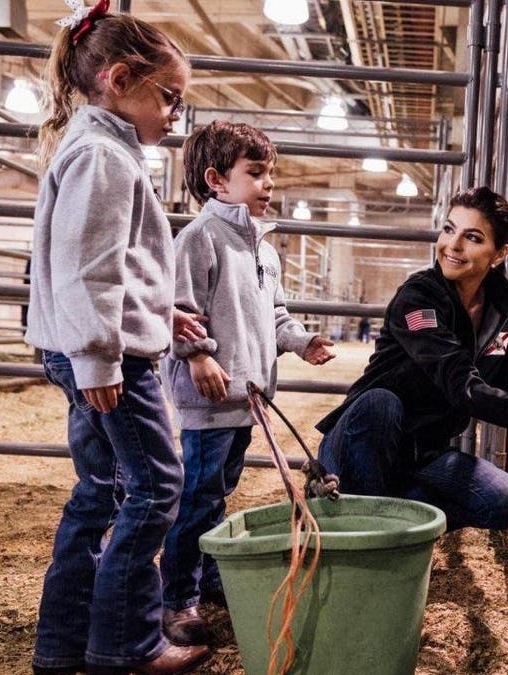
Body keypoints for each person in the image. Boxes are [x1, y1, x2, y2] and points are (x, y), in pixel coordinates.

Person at [24, 2, 209, 674]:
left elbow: (114, 268)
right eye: (169, 97)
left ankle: (63, 644)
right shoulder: (104, 156)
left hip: (94, 350)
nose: (173, 115)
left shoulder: (98, 147)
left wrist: (162, 318)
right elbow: (88, 268)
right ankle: (124, 647)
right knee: (157, 487)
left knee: (100, 490)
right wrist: (101, 355)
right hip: (109, 362)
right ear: (119, 78)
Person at [315, 187, 508, 531]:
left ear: (499, 253)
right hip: (366, 440)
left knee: (506, 503)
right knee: (381, 403)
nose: (453, 245)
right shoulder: (418, 297)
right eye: (449, 229)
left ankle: (382, 508)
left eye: (472, 237)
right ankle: (364, 509)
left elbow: (505, 385)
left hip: (423, 452)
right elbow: (457, 379)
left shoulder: (501, 309)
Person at [159, 120, 337, 645]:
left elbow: (275, 314)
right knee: (197, 496)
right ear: (216, 181)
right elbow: (182, 309)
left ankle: (204, 573)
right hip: (209, 397)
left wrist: (302, 341)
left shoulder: (263, 248)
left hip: (247, 398)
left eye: (270, 173)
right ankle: (177, 599)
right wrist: (196, 356)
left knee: (218, 491)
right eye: (255, 173)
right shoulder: (199, 239)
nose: (268, 184)